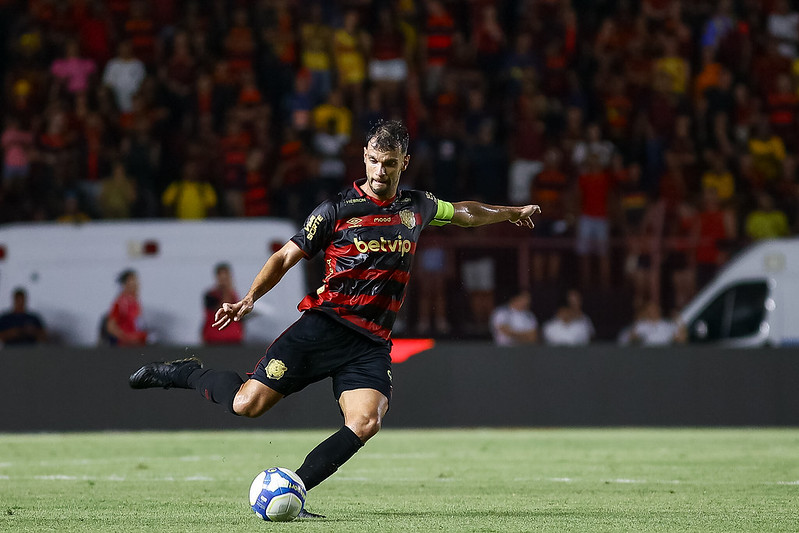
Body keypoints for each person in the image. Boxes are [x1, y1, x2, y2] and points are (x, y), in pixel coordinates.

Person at [129, 120, 539, 517]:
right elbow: (286, 256)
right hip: (323, 328)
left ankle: (296, 490)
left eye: (390, 162)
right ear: (364, 158)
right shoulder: (337, 209)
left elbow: (466, 214)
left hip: (370, 343)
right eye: (375, 160)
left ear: (404, 163)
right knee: (246, 405)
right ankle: (184, 373)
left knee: (366, 421)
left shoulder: (418, 207)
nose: (381, 171)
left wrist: (510, 211)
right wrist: (249, 298)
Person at [202, 263, 244, 345]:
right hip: (213, 339)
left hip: (234, 338)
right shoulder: (211, 295)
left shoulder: (234, 296)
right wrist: (225, 290)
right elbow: (222, 311)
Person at [105, 269, 148, 346]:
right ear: (126, 284)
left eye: (136, 281)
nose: (136, 284)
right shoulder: (121, 303)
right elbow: (111, 327)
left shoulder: (135, 302)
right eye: (133, 281)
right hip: (124, 345)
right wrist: (126, 338)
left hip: (136, 343)